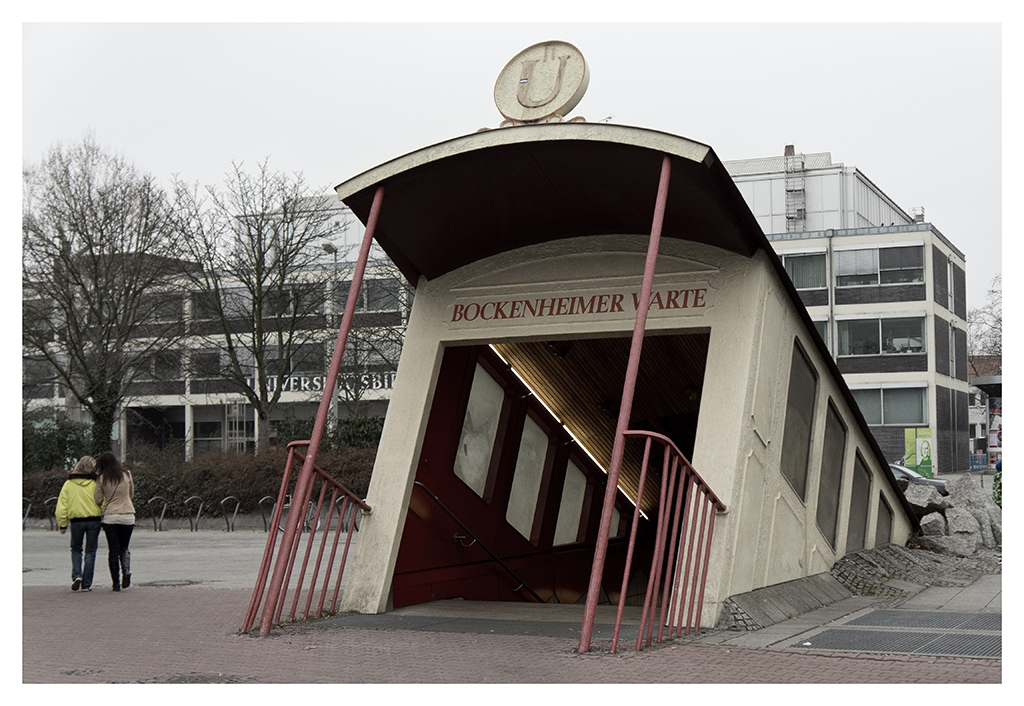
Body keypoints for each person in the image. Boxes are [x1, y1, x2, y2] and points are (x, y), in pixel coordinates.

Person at [55, 456, 103, 592]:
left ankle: (77, 575)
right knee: (91, 551)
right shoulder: (96, 483)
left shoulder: (69, 484)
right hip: (94, 520)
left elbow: (61, 506)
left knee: (76, 549)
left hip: (76, 521)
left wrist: (62, 524)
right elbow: (102, 500)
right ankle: (86, 584)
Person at [93, 451, 136, 591]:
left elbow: (97, 499)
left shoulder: (101, 478)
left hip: (110, 517)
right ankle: (127, 571)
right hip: (128, 516)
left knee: (113, 550)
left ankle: (115, 583)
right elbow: (131, 494)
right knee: (124, 548)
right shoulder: (127, 474)